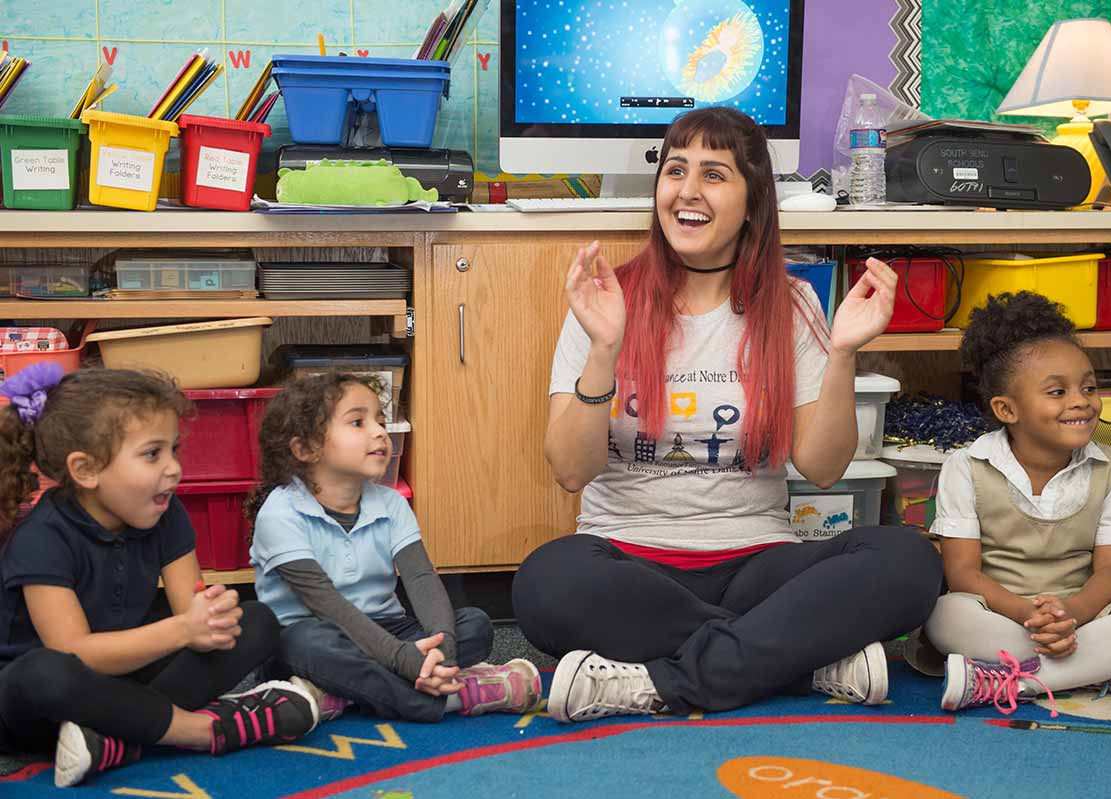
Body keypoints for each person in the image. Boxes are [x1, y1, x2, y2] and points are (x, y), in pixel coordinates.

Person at [512, 106, 943, 723]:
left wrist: (844, 352)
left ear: (753, 201)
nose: (686, 191)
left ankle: (660, 682)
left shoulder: (790, 305)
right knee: (543, 586)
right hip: (626, 558)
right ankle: (799, 661)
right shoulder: (608, 300)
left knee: (911, 561)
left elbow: (822, 469)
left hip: (756, 561)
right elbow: (570, 471)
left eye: (713, 174)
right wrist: (605, 349)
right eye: (674, 170)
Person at [0, 365, 318, 789]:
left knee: (256, 620)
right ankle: (202, 731)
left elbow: (192, 611)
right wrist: (183, 630)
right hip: (43, 704)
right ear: (86, 469)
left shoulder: (165, 512)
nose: (173, 469)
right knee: (44, 672)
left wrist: (211, 618)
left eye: (174, 450)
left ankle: (117, 739)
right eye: (153, 454)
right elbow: (75, 652)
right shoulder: (41, 537)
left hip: (122, 678)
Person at [913, 290, 1111, 713]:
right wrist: (1032, 615)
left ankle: (1010, 681)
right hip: (1001, 616)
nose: (1081, 400)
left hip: (1086, 615)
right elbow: (963, 574)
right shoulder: (966, 466)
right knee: (944, 615)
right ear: (1007, 409)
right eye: (1057, 392)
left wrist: (1070, 614)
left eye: (1088, 387)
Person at [248, 372, 540, 723]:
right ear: (305, 449)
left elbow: (421, 580)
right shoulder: (280, 513)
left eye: (381, 420)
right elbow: (327, 605)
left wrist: (442, 649)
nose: (380, 432)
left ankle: (338, 696)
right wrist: (404, 660)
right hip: (315, 631)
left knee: (474, 625)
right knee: (308, 643)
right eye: (358, 422)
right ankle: (453, 698)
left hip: (389, 628)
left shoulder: (391, 504)